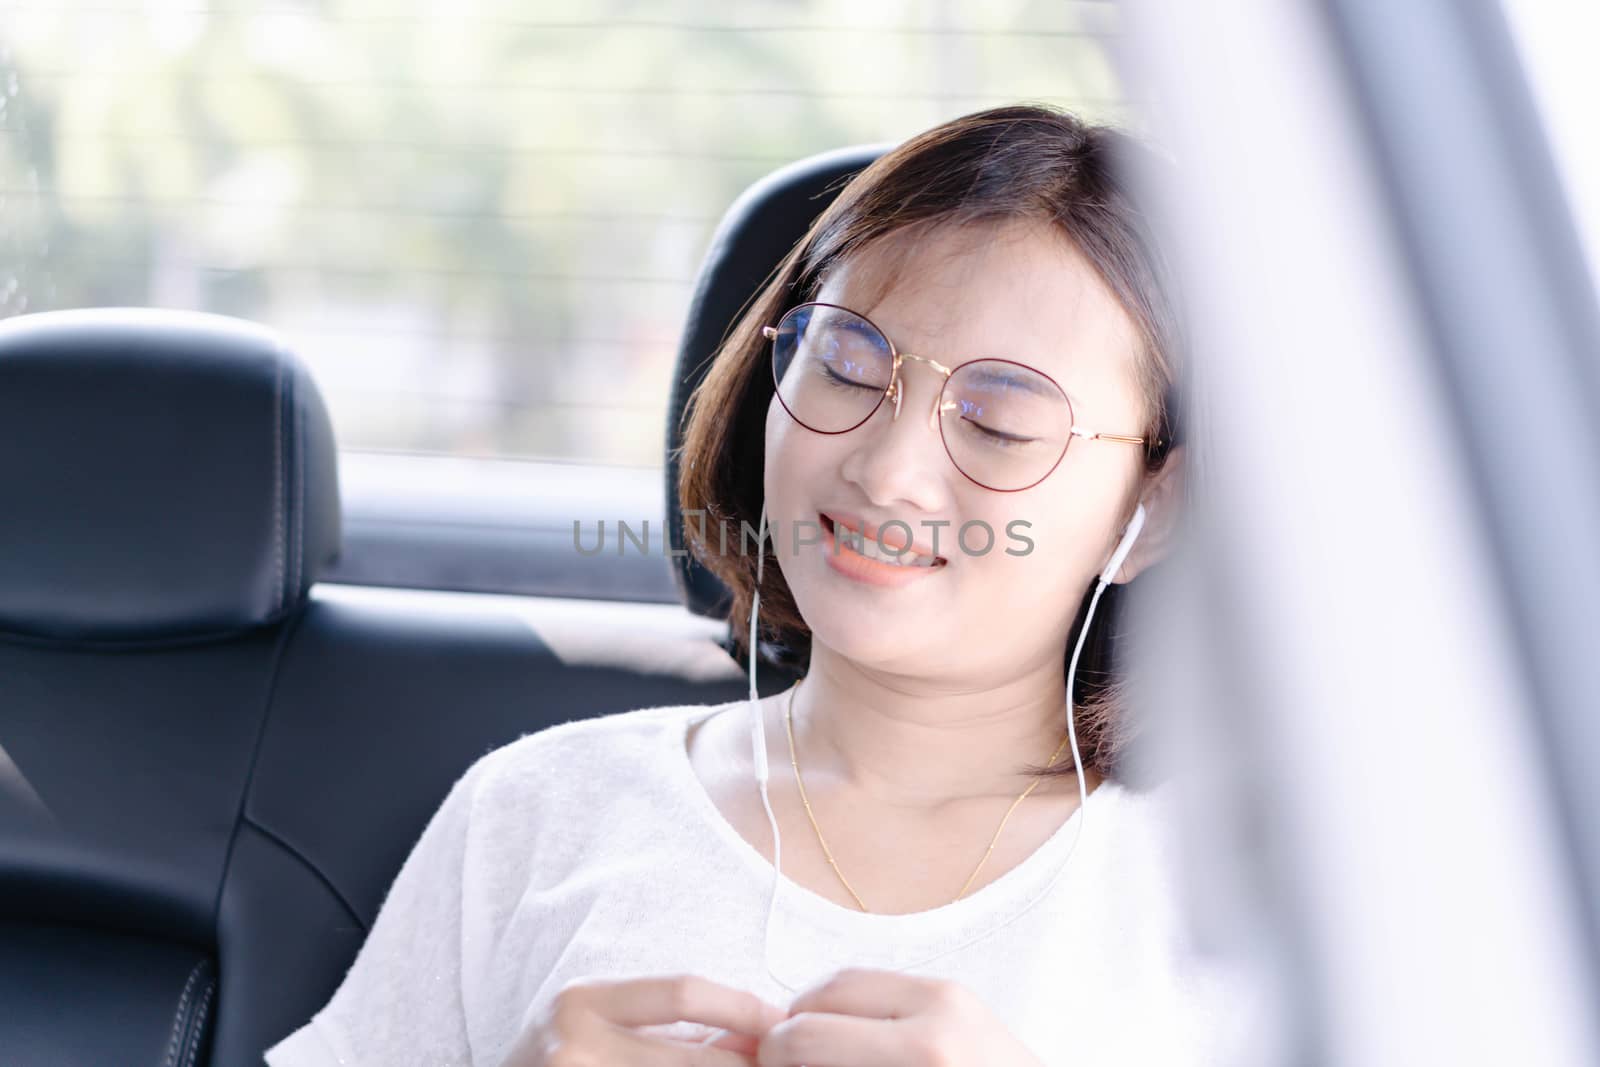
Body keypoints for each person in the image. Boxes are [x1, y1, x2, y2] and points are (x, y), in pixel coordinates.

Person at [265, 104, 1249, 1067]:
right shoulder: (539, 808)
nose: (884, 467)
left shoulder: (1234, 895)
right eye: (846, 363)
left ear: (1153, 506)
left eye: (995, 423)